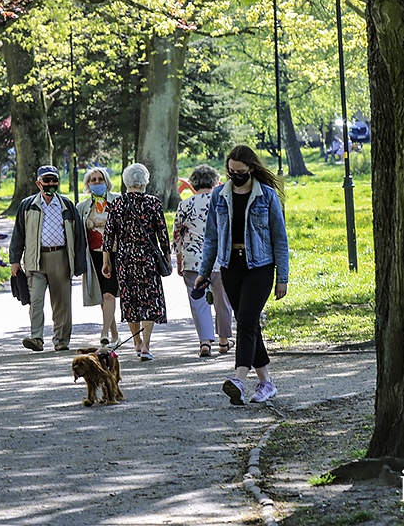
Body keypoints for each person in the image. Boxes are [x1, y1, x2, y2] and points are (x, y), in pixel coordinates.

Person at [197, 144, 289, 405]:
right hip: (230, 267)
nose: (235, 176)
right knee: (247, 322)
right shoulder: (219, 196)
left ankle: (238, 378)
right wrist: (204, 272)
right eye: (231, 171)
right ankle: (266, 382)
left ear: (251, 169)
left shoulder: (267, 196)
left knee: (247, 319)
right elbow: (212, 238)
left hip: (260, 266)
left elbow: (279, 239)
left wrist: (282, 277)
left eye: (240, 172)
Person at [9, 165, 86, 352]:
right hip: (36, 258)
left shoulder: (67, 205)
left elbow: (78, 237)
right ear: (38, 183)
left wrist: (79, 265)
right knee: (35, 300)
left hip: (61, 257)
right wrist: (15, 260)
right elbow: (18, 233)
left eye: (54, 180)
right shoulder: (28, 205)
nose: (51, 184)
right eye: (46, 180)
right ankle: (36, 337)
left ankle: (61, 341)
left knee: (61, 302)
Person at [101, 163, 171, 362]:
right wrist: (167, 257)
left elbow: (108, 236)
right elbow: (162, 234)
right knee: (149, 299)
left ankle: (137, 342)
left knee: (130, 299)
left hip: (125, 257)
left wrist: (106, 261)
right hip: (147, 257)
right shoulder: (153, 203)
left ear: (126, 181)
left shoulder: (118, 204)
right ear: (145, 181)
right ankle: (146, 346)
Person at [173, 164, 234, 357]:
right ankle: (224, 341)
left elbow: (177, 235)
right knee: (222, 299)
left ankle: (205, 342)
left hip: (193, 259)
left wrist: (179, 258)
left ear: (192, 184)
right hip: (220, 259)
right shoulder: (223, 202)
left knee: (198, 300)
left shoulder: (185, 204)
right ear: (216, 182)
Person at [76, 166, 120, 345]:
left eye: (100, 179)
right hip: (93, 256)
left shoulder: (117, 201)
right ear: (88, 184)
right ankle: (114, 335)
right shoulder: (82, 207)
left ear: (106, 182)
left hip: (115, 255)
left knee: (109, 295)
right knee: (104, 297)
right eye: (93, 180)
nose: (96, 183)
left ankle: (104, 333)